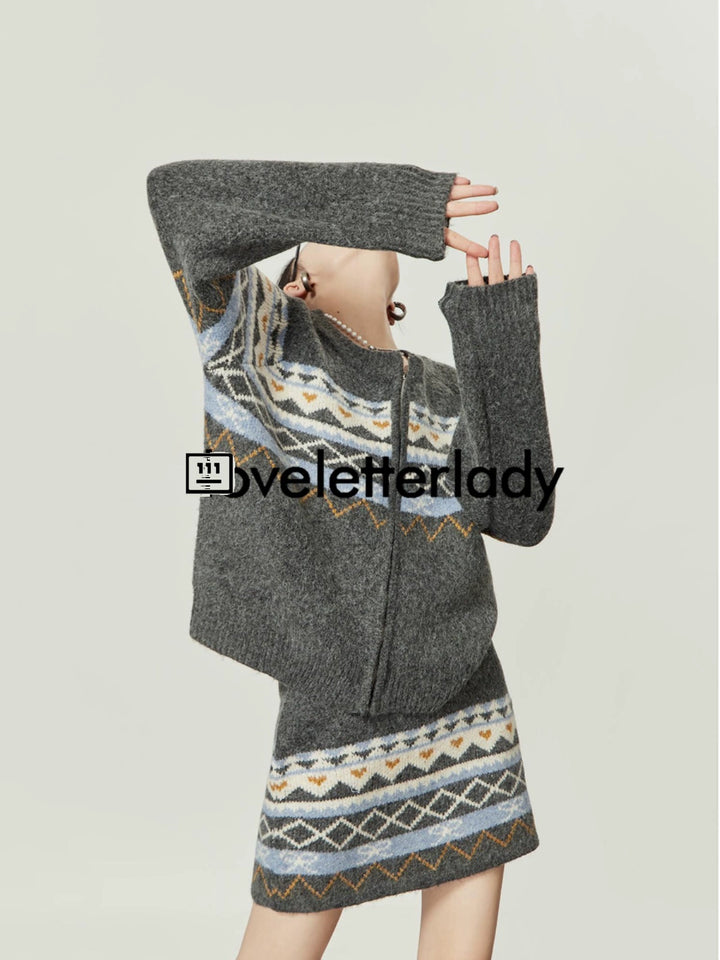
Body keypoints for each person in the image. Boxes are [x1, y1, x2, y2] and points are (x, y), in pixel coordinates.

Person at [145, 160, 558, 960]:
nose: (356, 226)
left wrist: (499, 344)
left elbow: (521, 514)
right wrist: (389, 201)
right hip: (330, 715)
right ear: (299, 283)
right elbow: (178, 198)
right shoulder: (257, 339)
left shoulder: (446, 393)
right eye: (335, 225)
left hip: (466, 712)